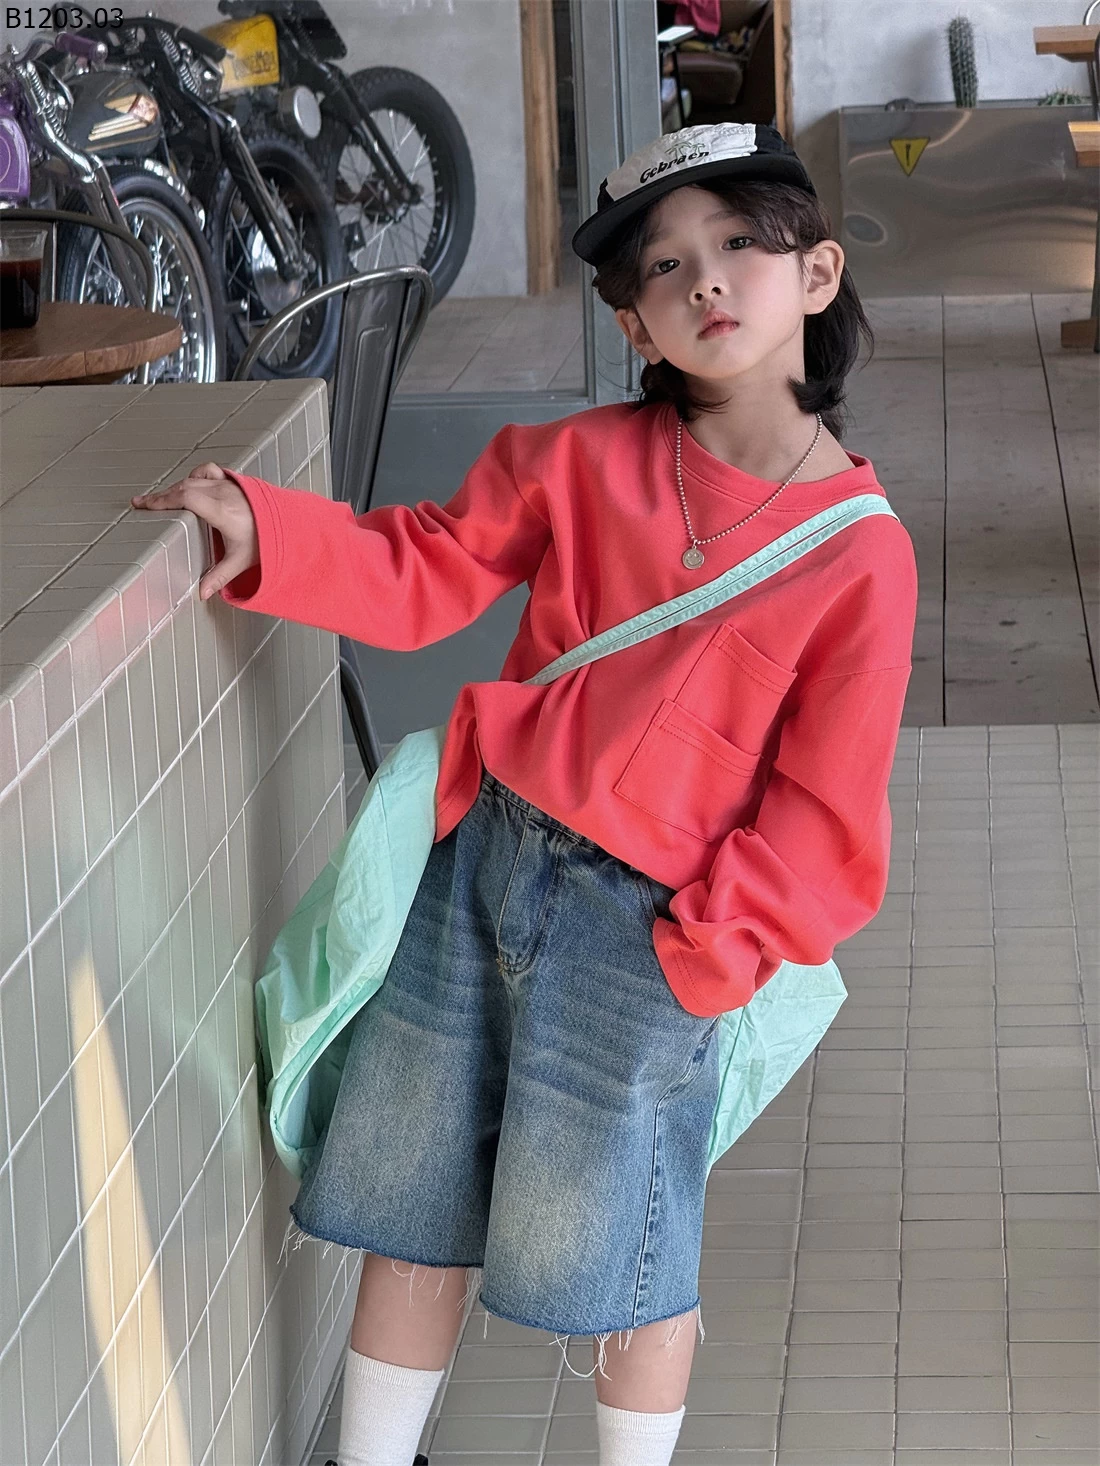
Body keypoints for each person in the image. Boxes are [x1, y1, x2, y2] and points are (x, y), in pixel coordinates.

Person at [132, 122, 917, 1466]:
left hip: (652, 933)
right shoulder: (580, 460)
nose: (705, 279)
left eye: (740, 243)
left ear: (818, 274)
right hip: (481, 866)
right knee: (411, 1196)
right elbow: (424, 566)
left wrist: (702, 955)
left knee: (621, 1242)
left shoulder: (860, 554)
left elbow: (825, 807)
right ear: (635, 324)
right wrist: (273, 530)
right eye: (663, 266)